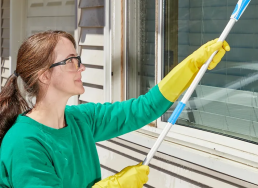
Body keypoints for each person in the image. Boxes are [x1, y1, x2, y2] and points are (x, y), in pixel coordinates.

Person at [0, 31, 230, 187]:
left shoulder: (81, 120)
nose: (82, 67)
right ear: (44, 75)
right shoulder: (24, 143)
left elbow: (144, 108)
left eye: (78, 59)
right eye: (71, 61)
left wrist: (193, 65)